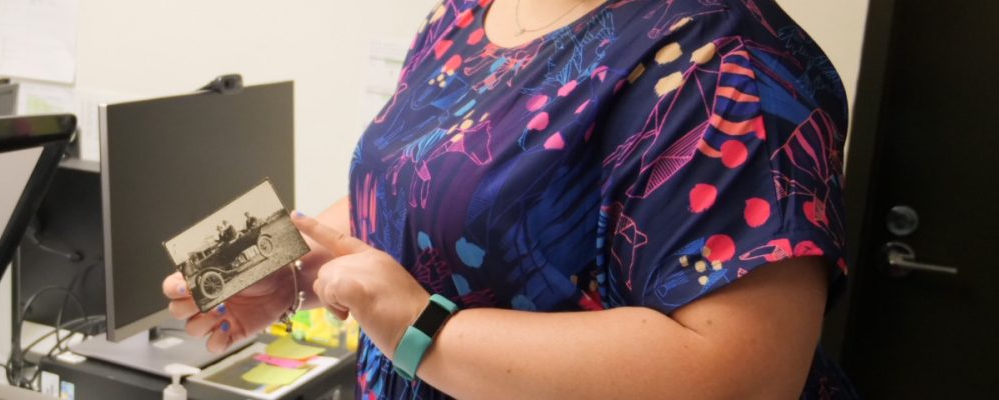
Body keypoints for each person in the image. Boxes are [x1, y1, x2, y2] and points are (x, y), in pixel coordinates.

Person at [164, 0, 857, 398]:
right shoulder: (467, 13)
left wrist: (416, 327)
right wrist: (281, 266)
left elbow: (739, 378)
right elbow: (417, 191)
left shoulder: (730, 58)